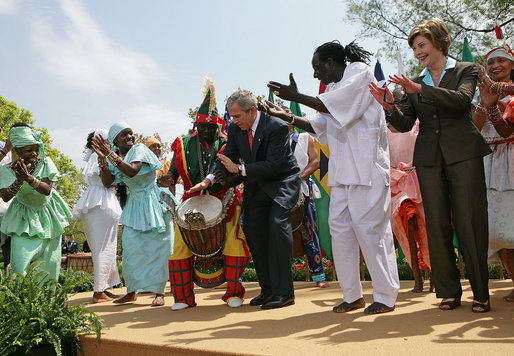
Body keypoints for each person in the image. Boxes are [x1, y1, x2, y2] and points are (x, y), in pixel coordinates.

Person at [266, 40, 400, 314]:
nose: (316, 75)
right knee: (339, 231)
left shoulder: (360, 73)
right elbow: (319, 125)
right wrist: (288, 117)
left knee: (371, 232)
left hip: (368, 169)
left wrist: (297, 96)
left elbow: (337, 108)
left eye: (318, 68)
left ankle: (386, 296)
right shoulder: (333, 89)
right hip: (342, 173)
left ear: (331, 63)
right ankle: (353, 295)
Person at [369, 18, 492, 313]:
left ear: (438, 41)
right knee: (435, 225)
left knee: (469, 222)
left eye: (421, 45)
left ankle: (481, 293)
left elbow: (462, 101)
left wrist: (418, 89)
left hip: (464, 153)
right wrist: (389, 107)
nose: (417, 52)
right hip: (428, 160)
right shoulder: (416, 81)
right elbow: (405, 123)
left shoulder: (466, 69)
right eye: (413, 48)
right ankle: (449, 292)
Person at [189, 89, 301, 309]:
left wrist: (239, 168)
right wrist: (209, 180)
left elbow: (274, 165)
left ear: (252, 111)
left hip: (280, 183)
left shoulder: (276, 127)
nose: (233, 120)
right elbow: (226, 156)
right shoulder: (235, 129)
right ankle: (268, 290)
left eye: (238, 116)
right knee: (253, 230)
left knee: (277, 227)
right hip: (256, 184)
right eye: (231, 116)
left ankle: (285, 293)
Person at [160, 79, 250, 310]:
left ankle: (233, 293)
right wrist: (169, 179)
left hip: (226, 200)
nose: (207, 131)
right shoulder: (182, 144)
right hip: (191, 202)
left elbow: (238, 171)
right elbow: (172, 172)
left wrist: (225, 180)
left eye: (212, 128)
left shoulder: (227, 142)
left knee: (234, 243)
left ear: (218, 127)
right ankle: (183, 297)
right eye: (203, 127)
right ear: (196, 126)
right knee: (179, 247)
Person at [92, 122, 173, 307]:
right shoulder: (115, 157)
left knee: (157, 248)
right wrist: (103, 162)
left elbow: (132, 170)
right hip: (135, 205)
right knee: (130, 249)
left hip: (155, 202)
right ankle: (131, 292)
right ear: (114, 141)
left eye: (130, 133)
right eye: (124, 135)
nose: (130, 137)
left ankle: (159, 292)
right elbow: (107, 182)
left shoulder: (139, 150)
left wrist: (109, 155)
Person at [0, 124, 71, 280]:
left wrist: (29, 178)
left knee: (49, 266)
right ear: (17, 151)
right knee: (19, 265)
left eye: (36, 149)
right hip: (23, 218)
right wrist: (18, 181)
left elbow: (46, 189)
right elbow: (5, 196)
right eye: (29, 150)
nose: (34, 153)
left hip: (49, 216)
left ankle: (45, 302)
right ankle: (20, 300)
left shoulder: (46, 163)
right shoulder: (5, 170)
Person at [475, 45, 514, 302]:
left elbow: (507, 132)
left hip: (511, 162)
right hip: (489, 165)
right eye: (491, 62)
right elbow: (473, 129)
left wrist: (492, 105)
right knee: (498, 233)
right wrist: (484, 103)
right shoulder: (482, 94)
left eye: (502, 60)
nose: (496, 65)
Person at [72, 130, 122, 303]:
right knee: (102, 248)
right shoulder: (97, 157)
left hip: (102, 200)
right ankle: (98, 291)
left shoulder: (103, 156)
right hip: (100, 201)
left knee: (108, 247)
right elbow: (104, 179)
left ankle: (104, 287)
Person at [288, 122, 328, 288]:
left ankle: (318, 276)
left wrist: (298, 178)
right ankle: (283, 278)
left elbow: (315, 161)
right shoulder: (273, 140)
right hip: (280, 193)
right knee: (279, 236)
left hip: (303, 190)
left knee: (310, 232)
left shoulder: (305, 138)